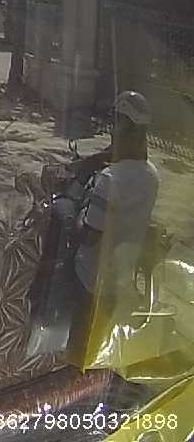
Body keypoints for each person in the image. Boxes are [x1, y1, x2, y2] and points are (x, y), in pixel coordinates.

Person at [67, 91, 160, 359]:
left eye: (116, 123)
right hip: (120, 278)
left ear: (125, 128)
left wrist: (78, 215)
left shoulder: (110, 179)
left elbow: (89, 235)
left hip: (90, 278)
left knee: (80, 348)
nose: (111, 130)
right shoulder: (152, 175)